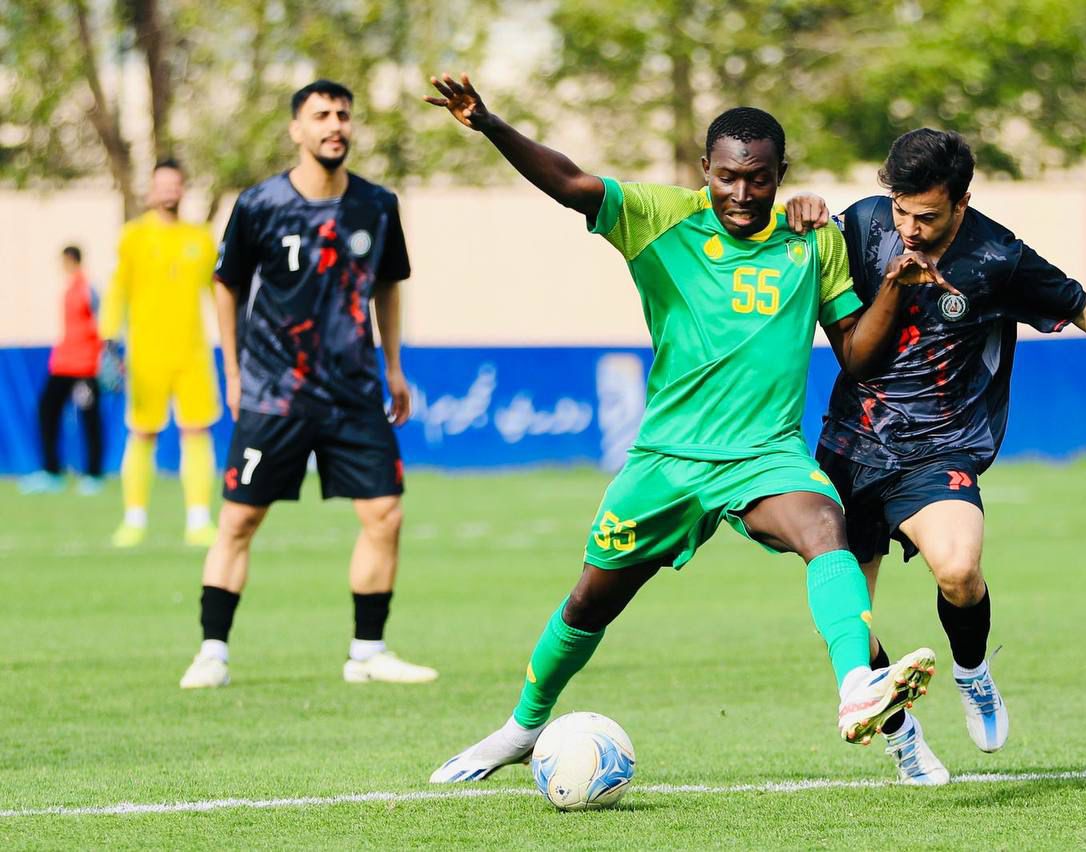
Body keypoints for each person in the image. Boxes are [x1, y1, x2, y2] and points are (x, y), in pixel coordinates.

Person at [423, 74, 953, 784]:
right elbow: (571, 182)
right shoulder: (659, 217)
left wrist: (892, 286)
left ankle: (857, 688)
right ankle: (524, 724)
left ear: (780, 175)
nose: (742, 194)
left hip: (762, 456)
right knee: (589, 601)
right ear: (705, 171)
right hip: (667, 462)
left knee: (825, 526)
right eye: (729, 177)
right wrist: (489, 124)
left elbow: (856, 352)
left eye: (759, 180)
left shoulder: (812, 241)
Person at [786, 128, 1086, 784]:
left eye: (928, 215)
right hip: (849, 445)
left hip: (938, 447)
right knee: (848, 618)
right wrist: (798, 209)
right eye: (901, 210)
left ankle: (972, 672)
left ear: (962, 203)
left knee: (961, 570)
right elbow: (784, 243)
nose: (910, 228)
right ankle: (904, 737)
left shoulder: (998, 257)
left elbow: (1083, 307)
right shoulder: (861, 225)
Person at [177, 80, 437, 689]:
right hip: (275, 393)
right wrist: (234, 372)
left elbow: (388, 284)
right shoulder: (261, 203)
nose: (335, 125)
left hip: (352, 391)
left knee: (385, 514)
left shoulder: (377, 204)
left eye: (343, 115)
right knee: (239, 521)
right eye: (321, 116)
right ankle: (212, 651)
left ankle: (367, 652)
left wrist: (393, 366)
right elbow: (225, 283)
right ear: (297, 130)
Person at [100, 160, 221, 547]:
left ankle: (199, 520)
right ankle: (134, 520)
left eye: (175, 184)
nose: (169, 191)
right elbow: (118, 289)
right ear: (151, 191)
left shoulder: (201, 238)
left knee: (197, 430)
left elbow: (219, 292)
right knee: (142, 432)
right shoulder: (133, 237)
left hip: (192, 353)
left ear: (183, 190)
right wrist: (107, 338)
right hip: (146, 354)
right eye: (162, 185)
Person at [20, 246, 104, 496]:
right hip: (64, 363)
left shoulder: (88, 289)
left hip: (85, 367)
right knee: (47, 410)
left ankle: (93, 475)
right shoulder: (69, 289)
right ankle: (51, 471)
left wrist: (102, 355)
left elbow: (102, 321)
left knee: (89, 418)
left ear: (71, 260)